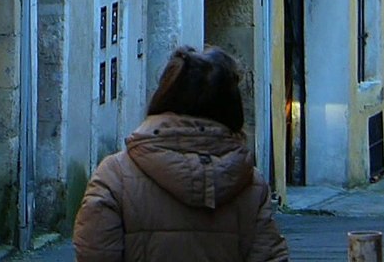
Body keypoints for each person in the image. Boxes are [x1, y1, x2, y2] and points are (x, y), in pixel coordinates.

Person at [73, 46, 288, 261]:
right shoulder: (250, 183)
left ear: (164, 94)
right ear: (233, 108)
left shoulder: (115, 176)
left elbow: (95, 254)